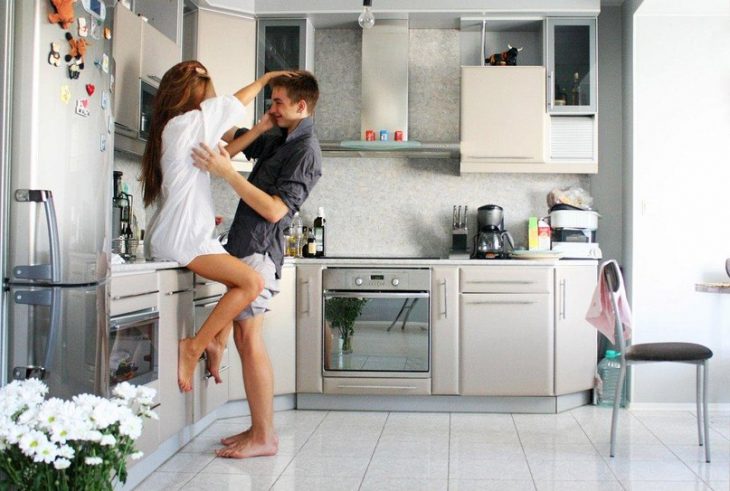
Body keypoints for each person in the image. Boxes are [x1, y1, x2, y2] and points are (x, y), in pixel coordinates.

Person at [191, 70, 322, 458]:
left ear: (301, 106)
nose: (272, 107)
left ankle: (264, 437)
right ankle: (258, 429)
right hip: (246, 247)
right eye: (272, 100)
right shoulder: (278, 134)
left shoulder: (305, 149)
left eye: (279, 102)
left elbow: (275, 209)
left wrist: (228, 174)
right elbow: (230, 137)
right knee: (246, 340)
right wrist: (205, 110)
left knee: (249, 342)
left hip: (260, 253)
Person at [140, 60, 291, 393]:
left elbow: (220, 156)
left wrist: (259, 129)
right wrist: (266, 78)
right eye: (208, 86)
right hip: (184, 238)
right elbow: (233, 102)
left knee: (243, 283)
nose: (214, 94)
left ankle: (211, 343)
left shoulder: (181, 127)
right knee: (251, 282)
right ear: (194, 90)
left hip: (187, 236)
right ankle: (194, 346)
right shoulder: (187, 121)